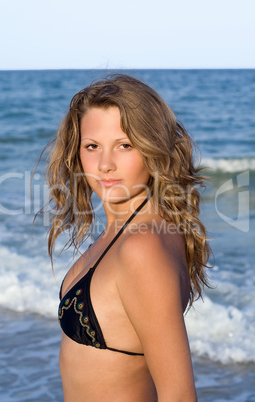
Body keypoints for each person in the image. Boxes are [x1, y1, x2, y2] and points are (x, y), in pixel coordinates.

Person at [38, 74, 211, 401]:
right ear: (77, 152)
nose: (105, 165)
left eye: (125, 145)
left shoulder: (142, 247)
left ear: (152, 147)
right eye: (92, 147)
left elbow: (179, 394)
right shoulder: (125, 231)